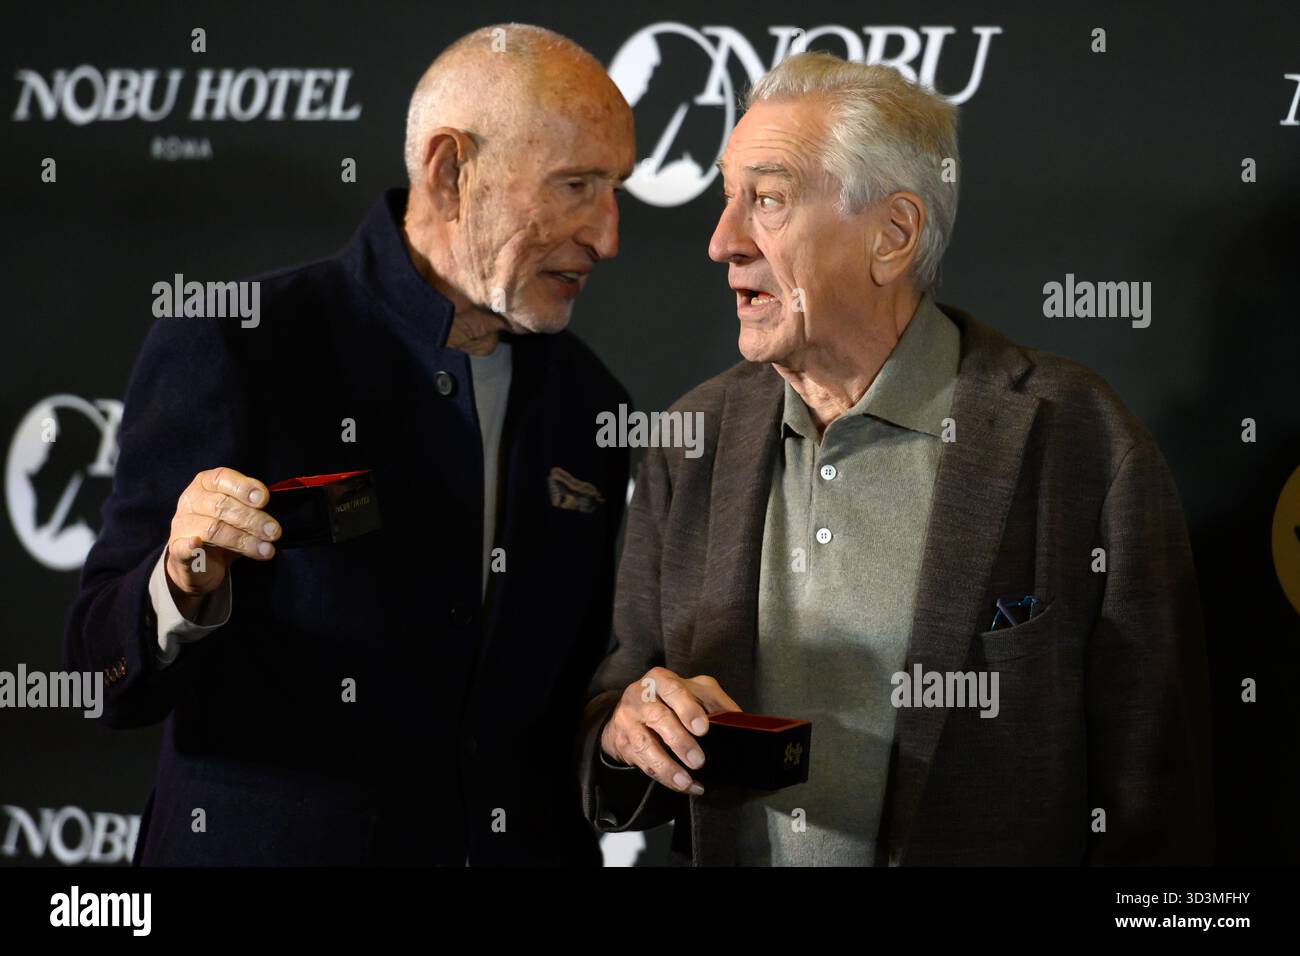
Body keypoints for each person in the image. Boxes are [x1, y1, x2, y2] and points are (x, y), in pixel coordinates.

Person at [579, 52, 1212, 866]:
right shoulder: (689, 438)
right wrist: (625, 730)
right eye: (726, 197)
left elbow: (1155, 797)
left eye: (766, 200)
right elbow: (621, 706)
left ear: (893, 235)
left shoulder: (1081, 440)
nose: (721, 242)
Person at [65, 23, 635, 865]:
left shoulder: (592, 403)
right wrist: (179, 582)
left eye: (615, 188)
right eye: (577, 185)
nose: (608, 235)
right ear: (450, 171)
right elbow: (93, 672)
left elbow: (564, 705)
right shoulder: (238, 340)